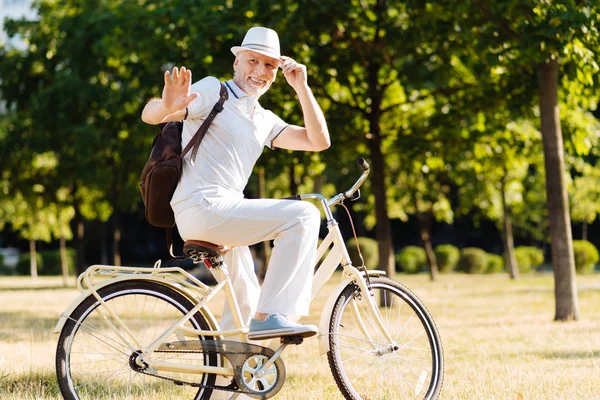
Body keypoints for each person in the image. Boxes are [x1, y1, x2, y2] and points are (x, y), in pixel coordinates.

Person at [141, 27, 330, 342]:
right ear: (236, 62)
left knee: (244, 307)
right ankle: (270, 317)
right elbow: (152, 115)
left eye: (269, 65)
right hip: (203, 206)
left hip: (225, 214)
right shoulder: (216, 92)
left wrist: (301, 88)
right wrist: (165, 105)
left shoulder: (263, 119)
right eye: (252, 60)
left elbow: (318, 141)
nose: (259, 71)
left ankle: (231, 384)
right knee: (304, 216)